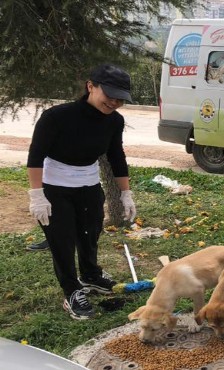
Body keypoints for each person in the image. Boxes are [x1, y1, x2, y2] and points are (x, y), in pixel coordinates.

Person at [26, 64, 137, 320]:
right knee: (62, 242)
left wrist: (125, 193)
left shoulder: (115, 121)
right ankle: (71, 291)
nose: (114, 101)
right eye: (108, 94)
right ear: (90, 86)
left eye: (120, 98)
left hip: (88, 186)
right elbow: (35, 156)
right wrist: (37, 195)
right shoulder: (56, 116)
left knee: (89, 235)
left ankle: (91, 275)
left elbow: (116, 156)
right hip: (56, 188)